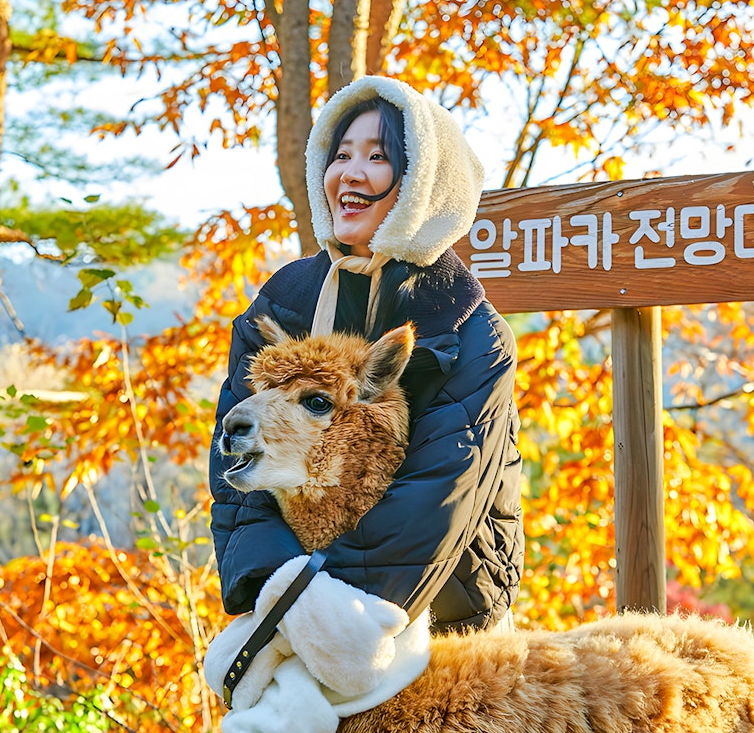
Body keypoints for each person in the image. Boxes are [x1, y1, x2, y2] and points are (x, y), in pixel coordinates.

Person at [209, 75, 523, 634]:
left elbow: (437, 494)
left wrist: (335, 617)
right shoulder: (284, 303)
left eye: (377, 157)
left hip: (440, 604)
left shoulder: (469, 328)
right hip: (291, 592)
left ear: (426, 182)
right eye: (340, 154)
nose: (348, 173)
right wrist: (275, 586)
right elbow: (236, 465)